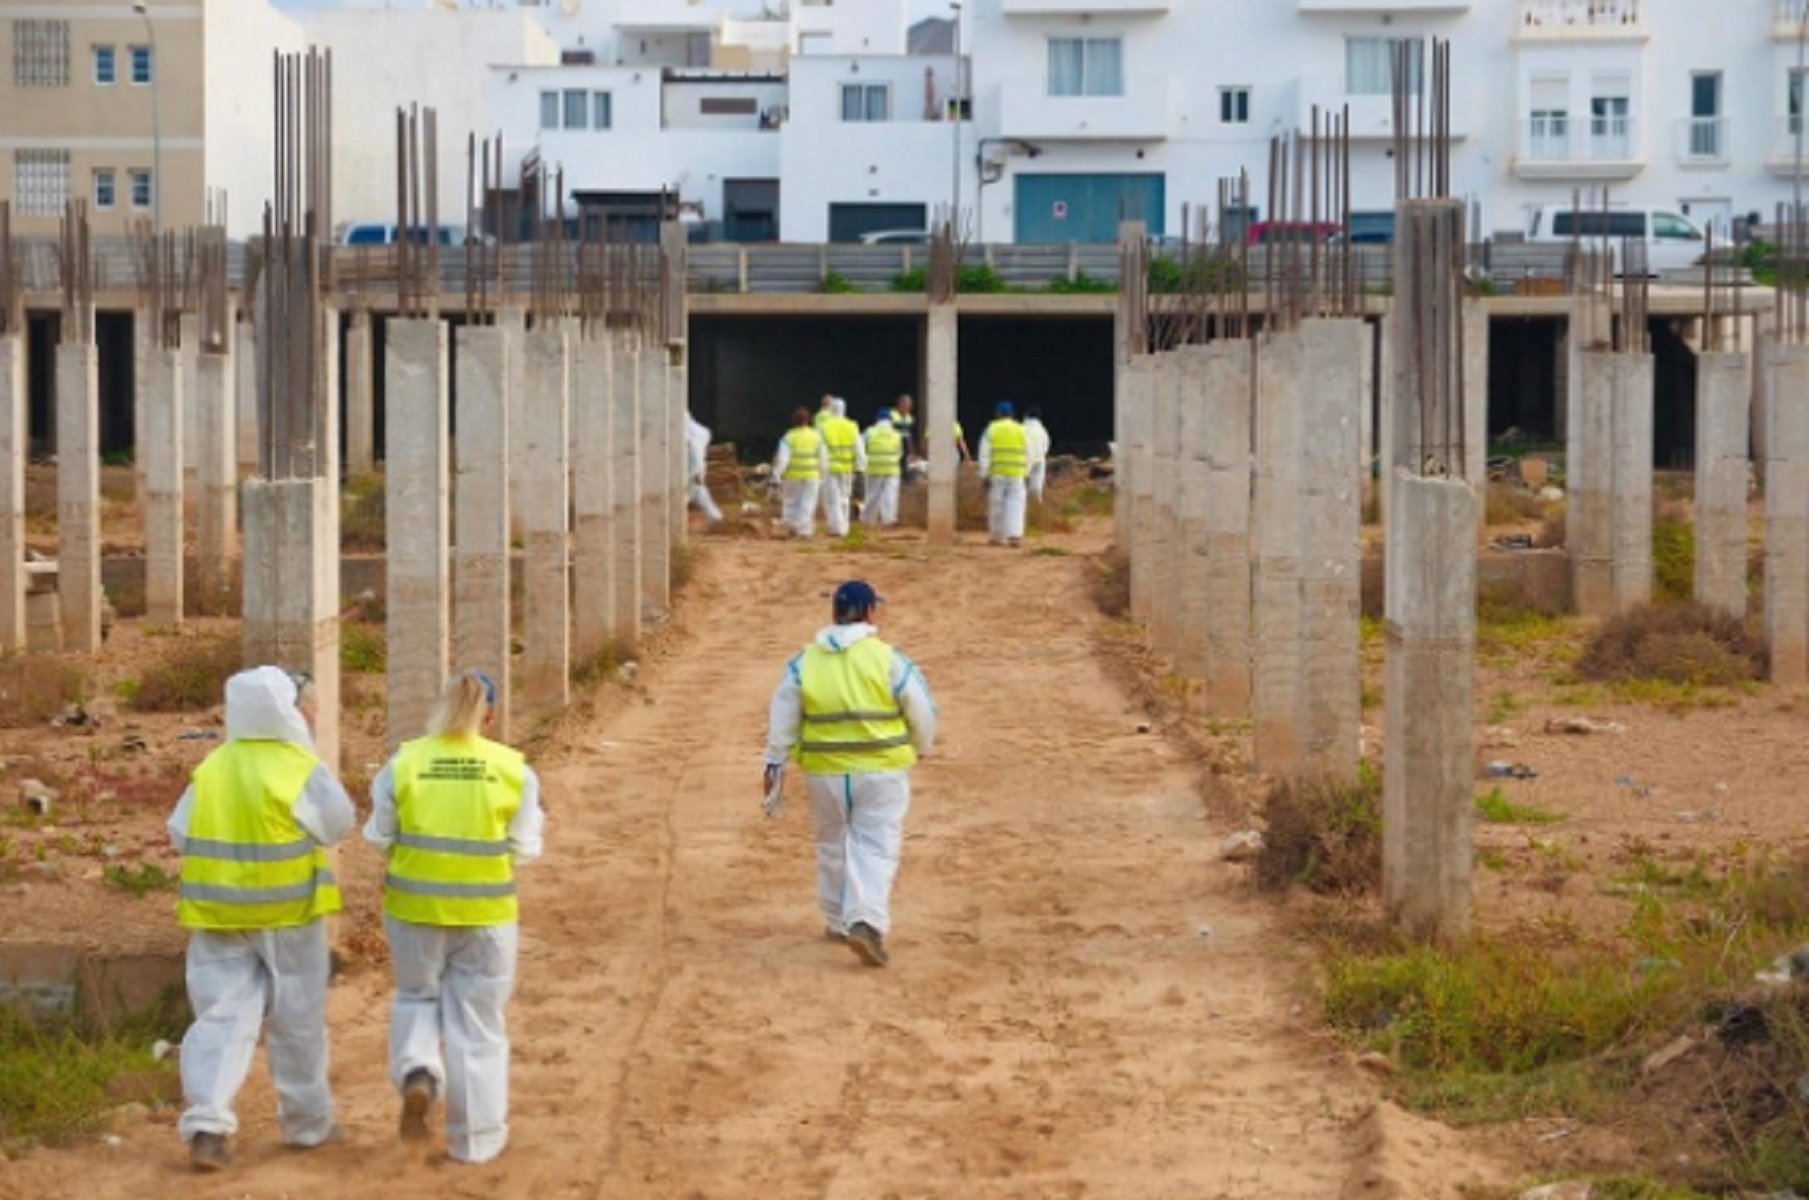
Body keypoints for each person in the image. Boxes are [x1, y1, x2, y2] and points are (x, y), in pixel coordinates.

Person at [168, 666, 355, 1172]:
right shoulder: (297, 767)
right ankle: (307, 1125)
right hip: (288, 916)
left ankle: (208, 1124)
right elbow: (339, 822)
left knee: (220, 1019)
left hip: (217, 918)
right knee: (297, 1021)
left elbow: (180, 832)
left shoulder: (214, 765)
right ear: (287, 712)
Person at [365, 669, 545, 1165]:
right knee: (479, 1023)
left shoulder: (404, 763)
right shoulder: (513, 770)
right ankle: (477, 1141)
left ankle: (419, 1071)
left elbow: (379, 836)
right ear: (491, 713)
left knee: (417, 997)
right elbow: (526, 848)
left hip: (413, 909)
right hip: (486, 914)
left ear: (442, 705)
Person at [764, 581, 936, 967]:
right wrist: (921, 747)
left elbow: (781, 721)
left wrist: (774, 768)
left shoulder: (804, 662)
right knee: (874, 845)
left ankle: (837, 919)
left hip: (824, 770)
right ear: (870, 612)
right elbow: (921, 708)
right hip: (881, 770)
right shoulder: (888, 659)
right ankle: (865, 920)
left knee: (833, 841)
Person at [979, 400, 1030, 547]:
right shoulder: (1021, 429)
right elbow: (1028, 452)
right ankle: (1015, 536)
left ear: (998, 413)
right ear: (1012, 414)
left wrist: (984, 474)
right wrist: (1026, 472)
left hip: (997, 473)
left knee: (996, 504)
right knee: (1016, 504)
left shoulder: (992, 429)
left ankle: (996, 536)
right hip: (1016, 473)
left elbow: (984, 454)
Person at [773, 406, 828, 538]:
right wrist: (823, 473)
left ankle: (790, 527)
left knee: (791, 502)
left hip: (793, 476)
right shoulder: (816, 436)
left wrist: (777, 475)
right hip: (812, 475)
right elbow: (823, 458)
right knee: (808, 502)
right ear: (808, 420)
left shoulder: (788, 437)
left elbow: (782, 459)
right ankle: (804, 530)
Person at [819, 398, 866, 538]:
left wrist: (820, 468)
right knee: (845, 498)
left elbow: (821, 449)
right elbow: (859, 448)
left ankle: (837, 528)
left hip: (830, 468)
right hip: (847, 468)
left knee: (832, 499)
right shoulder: (852, 426)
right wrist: (860, 466)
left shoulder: (824, 426)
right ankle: (844, 526)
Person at [862, 410, 903, 528]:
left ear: (877, 420)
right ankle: (889, 519)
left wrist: (863, 462)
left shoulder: (869, 432)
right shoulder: (896, 434)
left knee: (872, 494)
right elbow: (900, 452)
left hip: (874, 467)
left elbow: (861, 447)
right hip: (892, 468)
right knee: (890, 494)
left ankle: (868, 519)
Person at [686, 412, 724, 524]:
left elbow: (696, 452)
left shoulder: (690, 433)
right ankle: (716, 519)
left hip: (691, 468)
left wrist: (698, 470)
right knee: (699, 494)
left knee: (689, 494)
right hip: (693, 466)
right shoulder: (697, 431)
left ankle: (716, 519)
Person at [1023, 406, 1052, 505]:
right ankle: (1037, 507)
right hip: (1040, 459)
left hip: (1025, 458)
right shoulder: (1042, 430)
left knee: (1022, 486)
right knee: (1036, 487)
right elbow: (1047, 444)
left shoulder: (1023, 428)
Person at [890, 394, 918, 459]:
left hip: (904, 450)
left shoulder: (910, 418)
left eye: (910, 405)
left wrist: (913, 453)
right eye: (907, 405)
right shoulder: (891, 415)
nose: (909, 407)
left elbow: (910, 436)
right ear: (900, 404)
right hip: (893, 449)